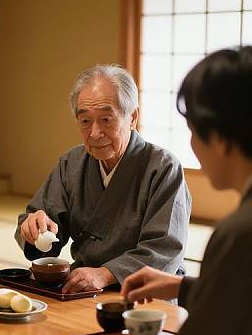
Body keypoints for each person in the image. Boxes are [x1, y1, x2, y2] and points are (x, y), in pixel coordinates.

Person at [86, 46, 252, 335]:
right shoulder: (71, 163)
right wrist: (184, 287)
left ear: (223, 137)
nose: (192, 145)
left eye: (194, 131)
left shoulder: (239, 232)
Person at [15, 64, 191, 293]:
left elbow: (164, 249)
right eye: (85, 121)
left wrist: (106, 274)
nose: (95, 133)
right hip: (83, 287)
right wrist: (33, 228)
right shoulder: (72, 163)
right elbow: (44, 228)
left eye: (106, 119)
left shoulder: (163, 168)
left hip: (146, 293)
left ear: (132, 117)